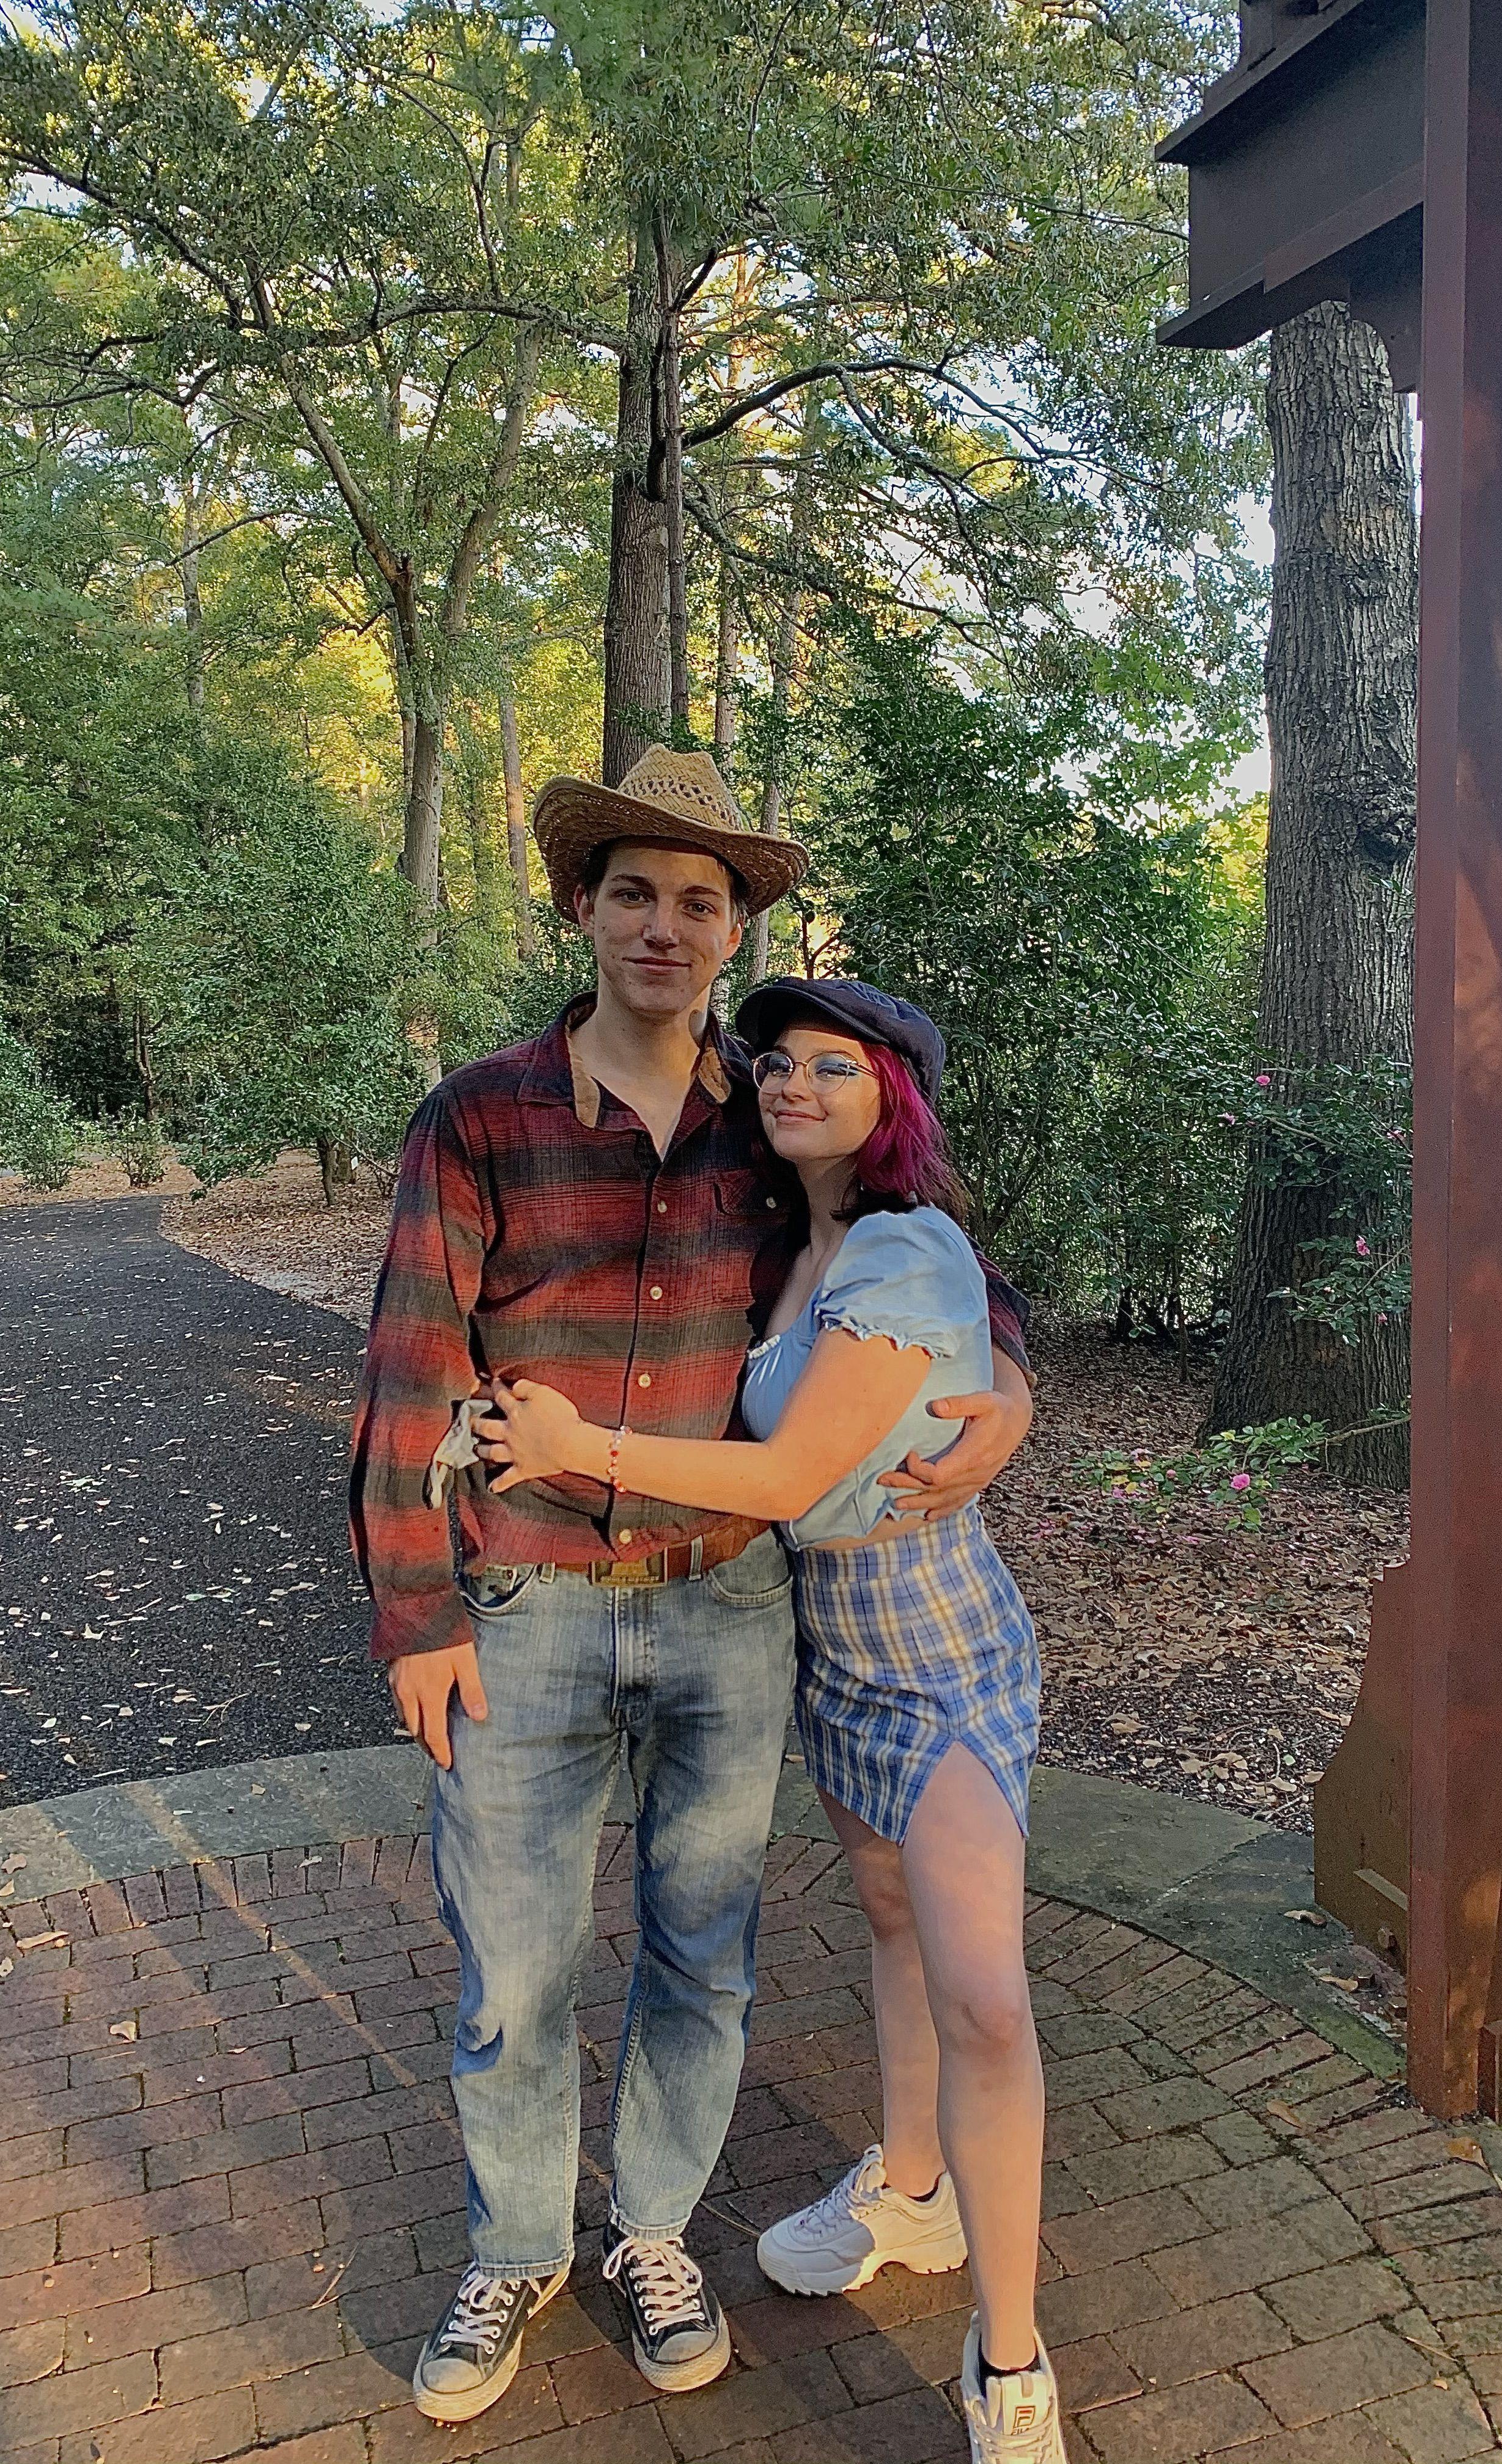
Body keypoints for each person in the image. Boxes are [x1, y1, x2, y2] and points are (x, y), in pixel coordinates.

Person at [347, 748, 1037, 2427]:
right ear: (580, 909)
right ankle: (515, 2247)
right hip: (527, 1607)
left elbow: (929, 1272)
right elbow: (411, 1372)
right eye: (636, 892)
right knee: (512, 1969)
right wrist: (418, 1613)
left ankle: (651, 2231)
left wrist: (1006, 1399)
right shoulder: (485, 1120)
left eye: (702, 900)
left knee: (703, 1952)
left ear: (734, 930)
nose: (667, 924)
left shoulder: (777, 1112)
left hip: (734, 1608)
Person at [477, 976, 1066, 2464]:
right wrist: (1007, 1385)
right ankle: (911, 2186)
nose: (797, 1083)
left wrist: (570, 1445)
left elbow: (800, 1472)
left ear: (894, 1103)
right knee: (885, 1923)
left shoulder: (904, 1243)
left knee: (985, 1992)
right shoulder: (788, 1238)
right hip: (827, 1645)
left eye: (837, 1067)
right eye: (781, 1061)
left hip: (933, 1639)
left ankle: (1010, 2362)